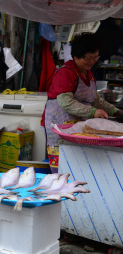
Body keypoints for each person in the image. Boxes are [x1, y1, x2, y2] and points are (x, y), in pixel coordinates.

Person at [43, 33, 123, 173]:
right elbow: (66, 102)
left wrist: (115, 112)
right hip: (59, 126)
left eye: (95, 57)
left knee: (79, 165)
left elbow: (96, 100)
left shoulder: (88, 74)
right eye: (88, 58)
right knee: (63, 167)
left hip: (77, 126)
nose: (92, 61)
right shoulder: (66, 73)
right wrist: (93, 112)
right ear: (77, 55)